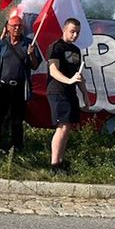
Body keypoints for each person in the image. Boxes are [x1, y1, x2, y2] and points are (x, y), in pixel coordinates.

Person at [0, 15, 40, 153]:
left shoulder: (29, 44)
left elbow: (34, 66)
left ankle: (16, 147)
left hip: (19, 89)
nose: (17, 28)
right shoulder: (0, 45)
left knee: (17, 120)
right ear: (8, 27)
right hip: (2, 88)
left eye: (19, 26)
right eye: (14, 25)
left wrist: (31, 55)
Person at [47, 18, 87, 173]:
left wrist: (85, 94)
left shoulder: (76, 51)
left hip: (71, 92)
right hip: (57, 91)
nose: (75, 35)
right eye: (72, 31)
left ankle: (61, 161)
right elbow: (53, 70)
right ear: (64, 30)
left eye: (77, 32)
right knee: (62, 126)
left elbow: (78, 75)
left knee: (67, 127)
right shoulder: (55, 47)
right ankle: (54, 165)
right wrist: (69, 81)